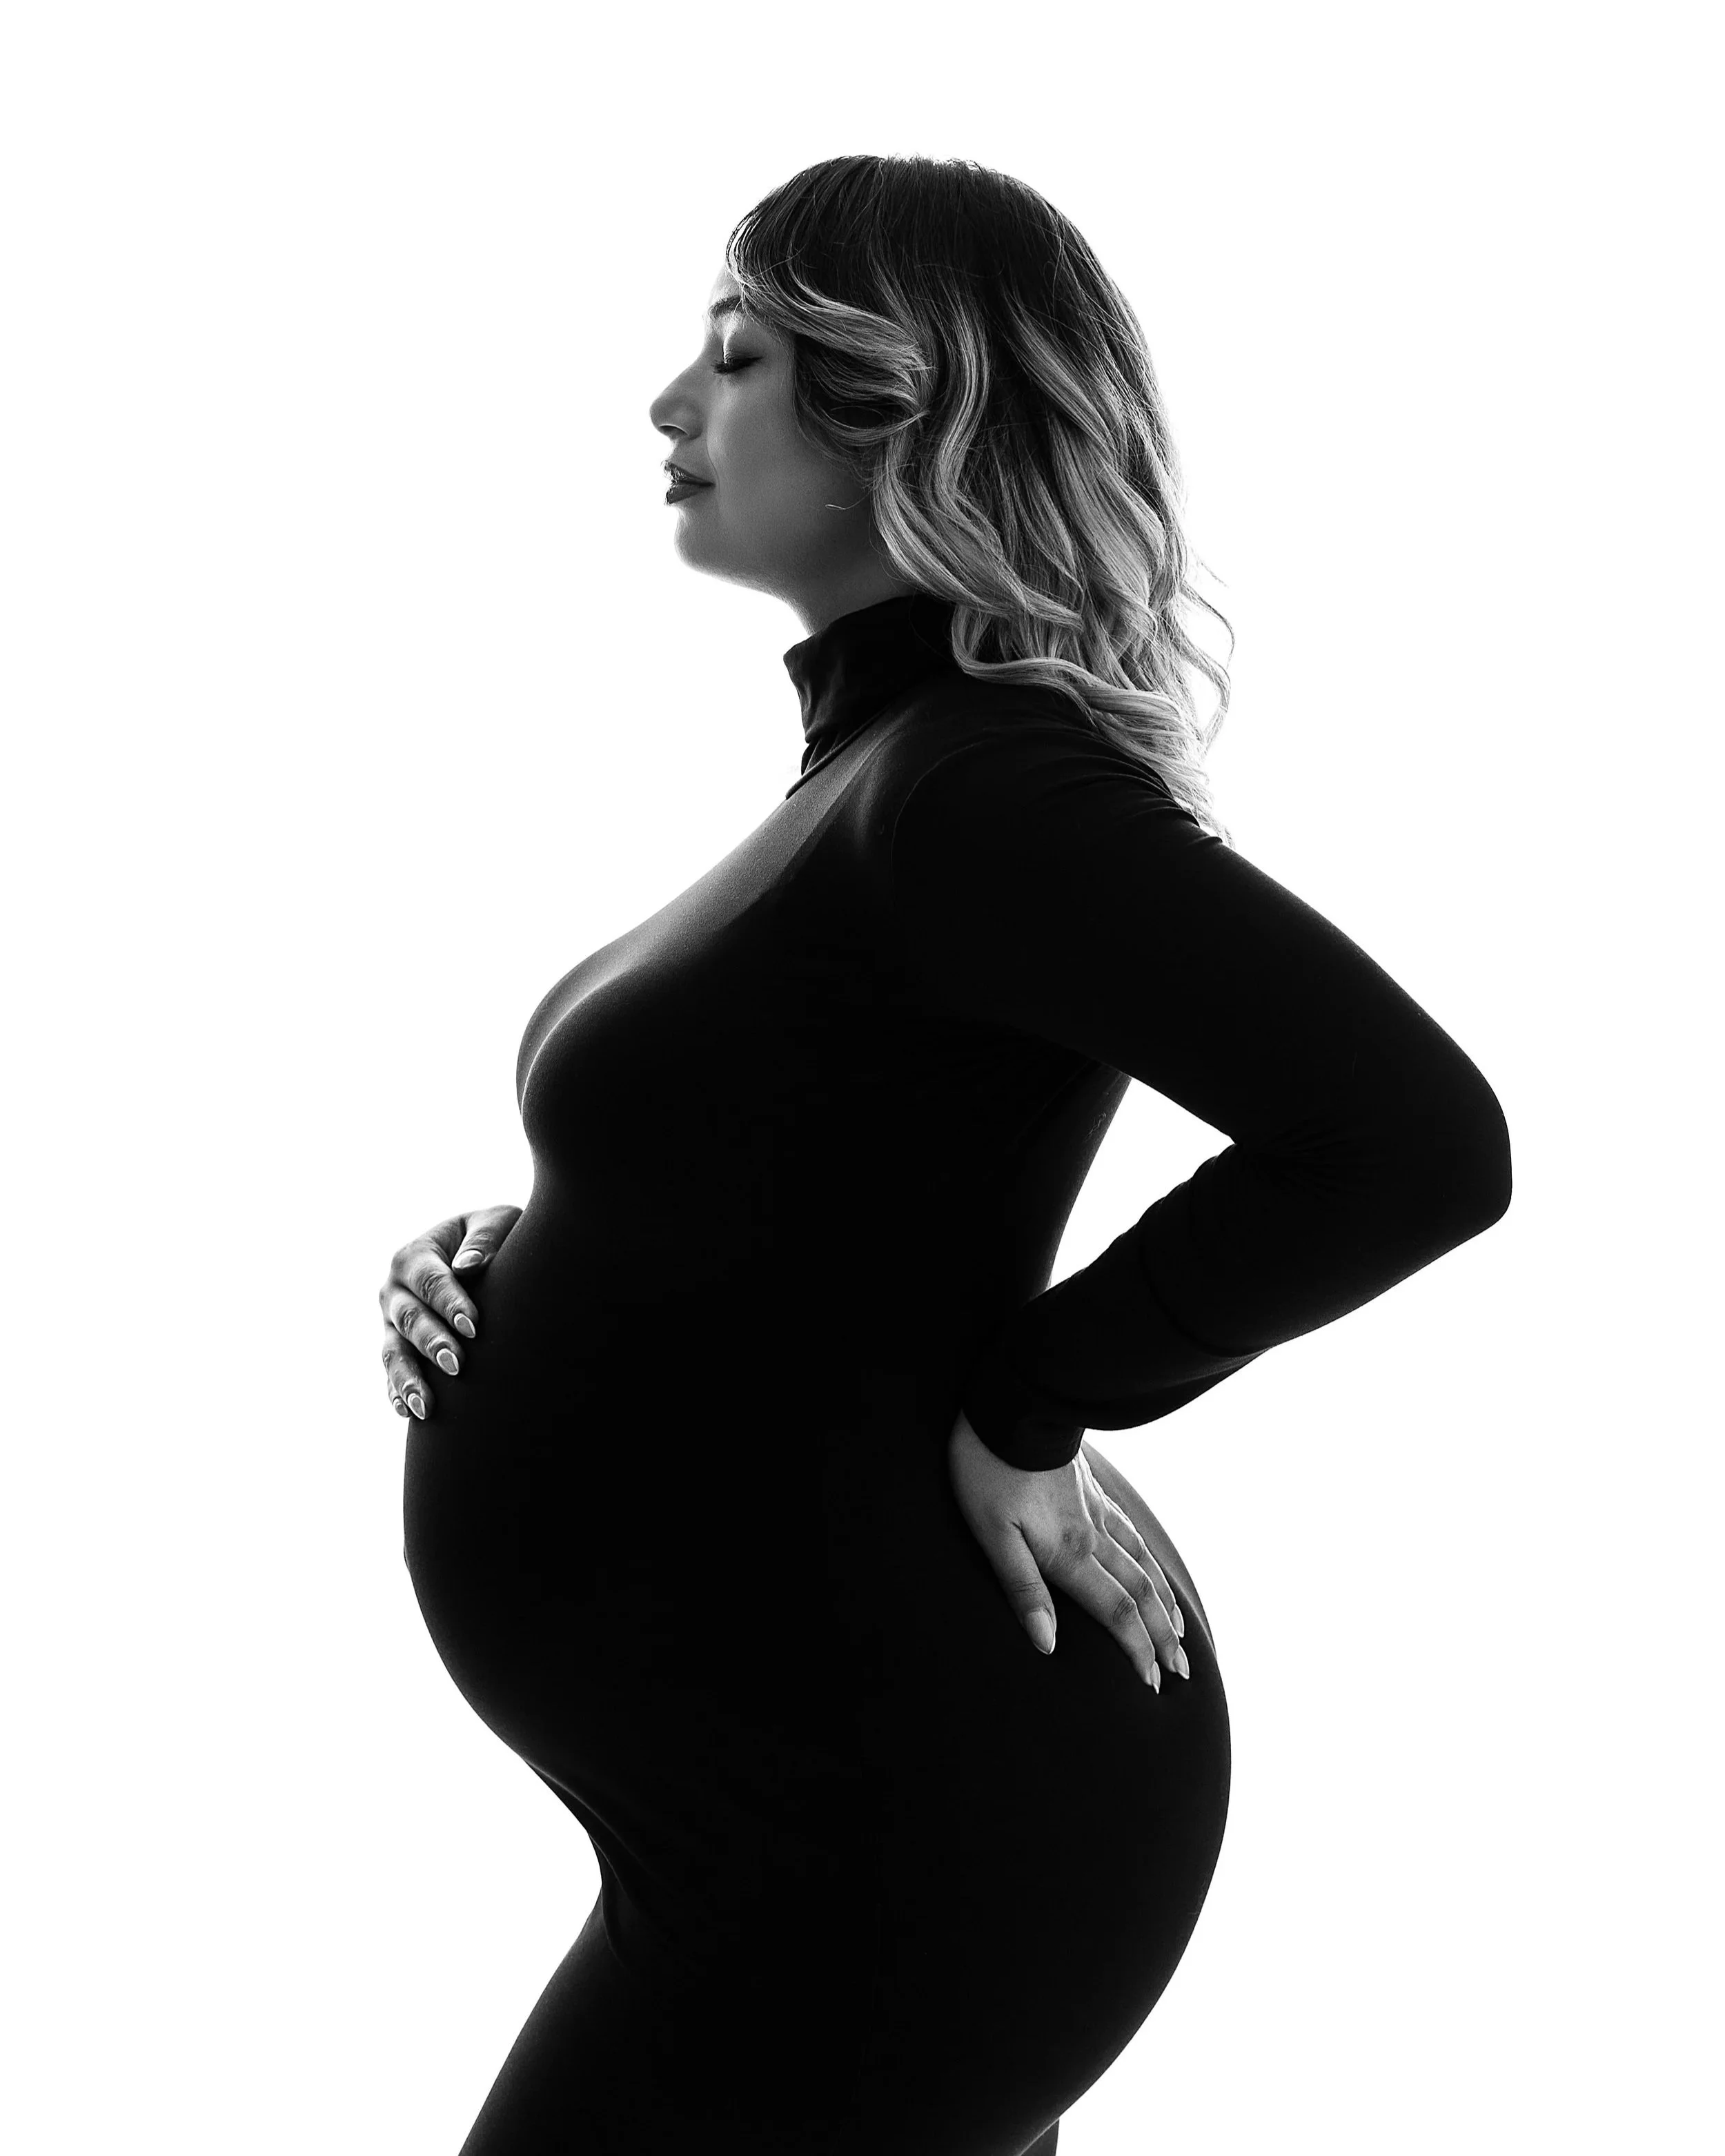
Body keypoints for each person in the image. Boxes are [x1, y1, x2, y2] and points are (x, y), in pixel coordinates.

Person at [378, 155, 1511, 2155]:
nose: (668, 408)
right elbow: (807, 1166)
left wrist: (1043, 1396)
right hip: (813, 1808)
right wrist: (540, 1243)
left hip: (889, 1823)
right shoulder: (879, 779)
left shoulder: (982, 785)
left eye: (734, 362)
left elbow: (1414, 1140)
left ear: (904, 418)